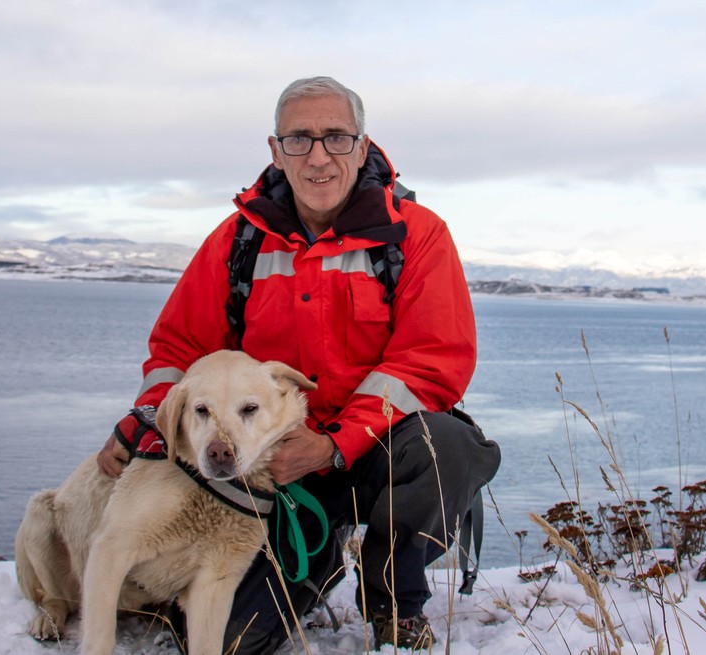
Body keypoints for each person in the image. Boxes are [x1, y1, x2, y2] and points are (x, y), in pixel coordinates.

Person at [96, 76, 501, 653]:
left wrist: (334, 443)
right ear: (274, 150)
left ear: (363, 147)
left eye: (336, 138)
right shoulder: (238, 240)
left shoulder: (417, 236)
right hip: (265, 470)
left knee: (445, 446)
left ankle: (395, 603)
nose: (318, 157)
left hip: (371, 450)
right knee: (230, 641)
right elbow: (178, 353)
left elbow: (431, 362)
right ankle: (312, 562)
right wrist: (148, 419)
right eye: (299, 139)